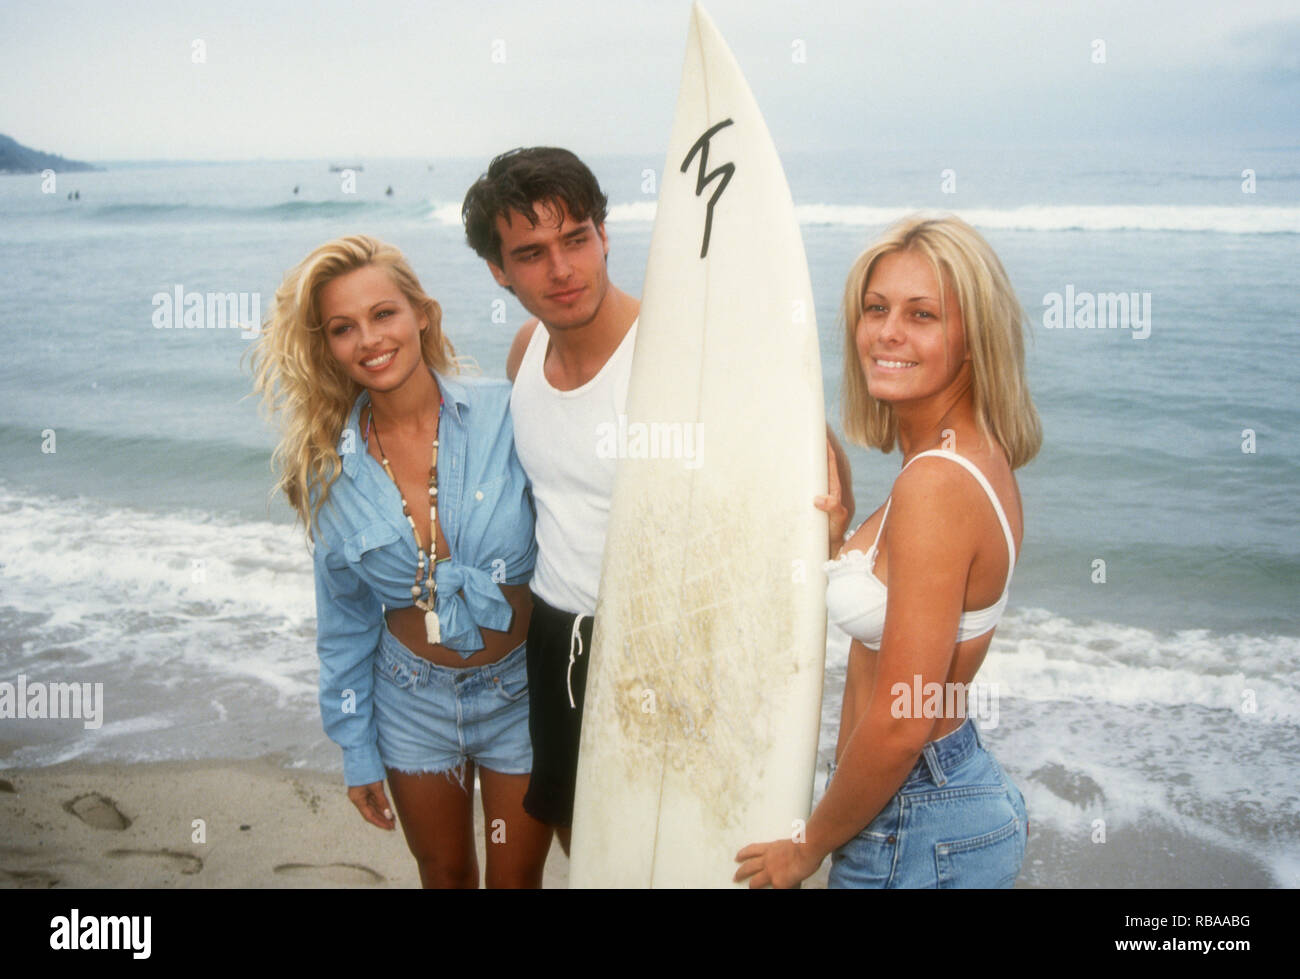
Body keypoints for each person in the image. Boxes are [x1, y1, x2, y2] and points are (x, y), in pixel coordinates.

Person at [462, 147, 855, 858]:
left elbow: (801, 438)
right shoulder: (526, 353)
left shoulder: (675, 353)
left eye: (576, 239)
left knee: (684, 849)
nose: (561, 269)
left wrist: (827, 509)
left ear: (604, 235)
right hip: (557, 638)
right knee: (593, 850)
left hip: (666, 643)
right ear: (499, 270)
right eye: (531, 252)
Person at [735, 214, 1040, 888]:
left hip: (914, 818)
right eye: (876, 309)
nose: (888, 332)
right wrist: (843, 542)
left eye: (922, 314)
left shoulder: (937, 482)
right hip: (942, 798)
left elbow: (904, 722)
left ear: (972, 337)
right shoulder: (960, 456)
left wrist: (806, 845)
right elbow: (908, 609)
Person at [250, 235, 551, 888]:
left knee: (517, 879)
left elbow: (597, 496)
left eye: (383, 313)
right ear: (326, 345)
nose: (368, 339)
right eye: (342, 327)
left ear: (421, 313)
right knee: (443, 874)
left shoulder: (511, 413)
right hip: (411, 699)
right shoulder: (330, 471)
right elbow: (346, 622)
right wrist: (356, 750)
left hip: (523, 691)